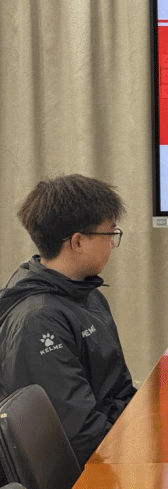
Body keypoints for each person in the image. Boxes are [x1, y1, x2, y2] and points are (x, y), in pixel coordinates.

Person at [0, 174, 136, 469]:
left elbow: (120, 388)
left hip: (115, 442)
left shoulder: (87, 293)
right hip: (84, 473)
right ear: (77, 242)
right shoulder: (38, 321)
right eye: (109, 234)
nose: (112, 244)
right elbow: (79, 436)